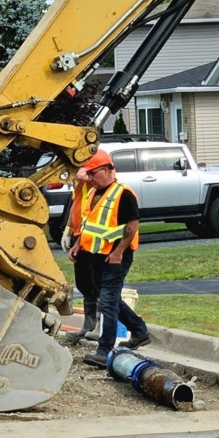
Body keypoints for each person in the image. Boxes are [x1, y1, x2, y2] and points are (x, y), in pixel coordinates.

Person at [66, 148, 149, 368]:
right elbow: (87, 224)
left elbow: (132, 226)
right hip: (96, 254)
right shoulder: (94, 192)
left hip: (116, 256)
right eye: (89, 174)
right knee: (108, 298)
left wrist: (118, 252)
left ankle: (104, 351)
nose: (90, 179)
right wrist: (77, 245)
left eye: (93, 174)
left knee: (109, 301)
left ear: (107, 169)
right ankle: (140, 330)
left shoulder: (124, 193)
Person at [60, 167, 99, 345]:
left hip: (91, 236)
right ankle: (89, 325)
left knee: (95, 281)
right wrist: (68, 229)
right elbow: (76, 204)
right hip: (79, 233)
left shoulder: (92, 171)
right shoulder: (80, 183)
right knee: (83, 282)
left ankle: (98, 326)